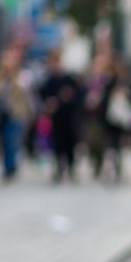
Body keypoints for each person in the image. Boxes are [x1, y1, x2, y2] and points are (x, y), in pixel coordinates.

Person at [0, 45, 32, 180]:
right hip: (0, 115)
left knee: (12, 140)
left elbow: (26, 96)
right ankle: (7, 165)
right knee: (3, 141)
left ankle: (10, 167)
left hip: (16, 114)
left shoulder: (21, 76)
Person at [39, 49, 82, 182]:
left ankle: (70, 168)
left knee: (70, 144)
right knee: (57, 145)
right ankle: (59, 168)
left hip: (69, 117)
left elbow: (78, 94)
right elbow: (42, 95)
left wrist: (69, 96)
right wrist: (49, 104)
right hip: (56, 118)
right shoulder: (49, 80)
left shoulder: (69, 78)